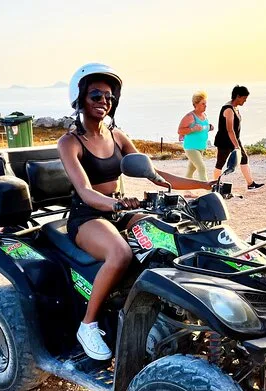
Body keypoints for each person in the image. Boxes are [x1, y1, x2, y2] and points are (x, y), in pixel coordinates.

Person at [58, 63, 213, 360]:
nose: (104, 101)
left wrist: (204, 184)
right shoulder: (69, 142)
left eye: (109, 96)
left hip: (119, 210)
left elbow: (156, 173)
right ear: (80, 98)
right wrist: (116, 204)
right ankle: (88, 325)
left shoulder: (117, 136)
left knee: (169, 236)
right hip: (88, 215)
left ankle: (164, 309)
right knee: (120, 253)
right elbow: (85, 191)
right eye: (95, 95)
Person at [213, 85, 264, 190]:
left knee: (244, 158)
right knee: (220, 163)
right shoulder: (228, 109)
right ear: (238, 96)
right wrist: (237, 146)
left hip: (235, 138)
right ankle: (214, 186)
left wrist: (237, 144)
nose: (245, 101)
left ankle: (250, 184)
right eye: (244, 98)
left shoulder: (235, 108)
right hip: (224, 141)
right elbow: (230, 130)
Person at [177, 91, 212, 185]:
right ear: (195, 104)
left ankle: (185, 189)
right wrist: (192, 129)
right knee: (201, 168)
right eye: (203, 104)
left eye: (205, 103)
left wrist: (209, 127)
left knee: (190, 170)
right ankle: (208, 190)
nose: (205, 106)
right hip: (191, 147)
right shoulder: (190, 116)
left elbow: (202, 128)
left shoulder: (204, 115)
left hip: (201, 147)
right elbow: (180, 131)